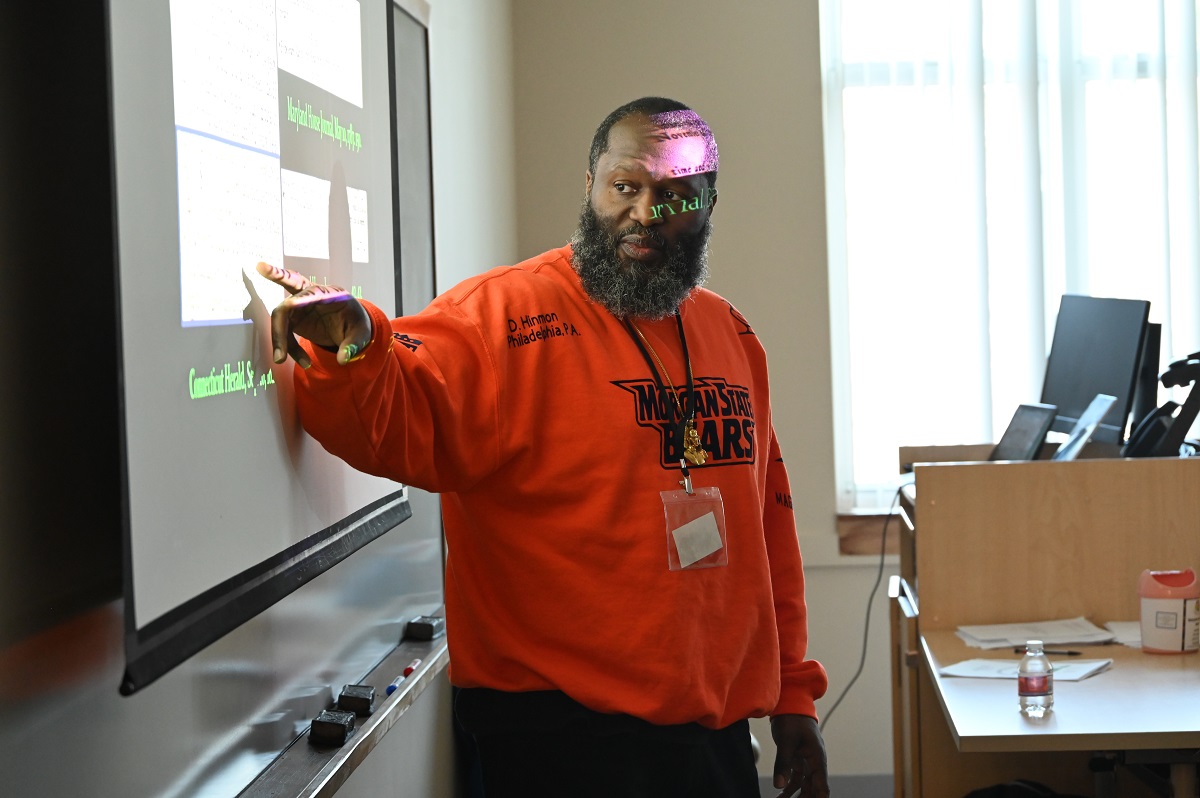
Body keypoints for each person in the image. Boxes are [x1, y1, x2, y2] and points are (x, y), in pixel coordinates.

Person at [258, 96, 830, 798]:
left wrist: (794, 693)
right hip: (557, 737)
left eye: (677, 195)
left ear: (709, 202)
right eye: (626, 186)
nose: (646, 212)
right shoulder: (501, 317)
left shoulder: (731, 334)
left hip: (713, 734)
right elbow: (398, 415)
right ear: (590, 185)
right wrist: (356, 340)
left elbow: (767, 526)